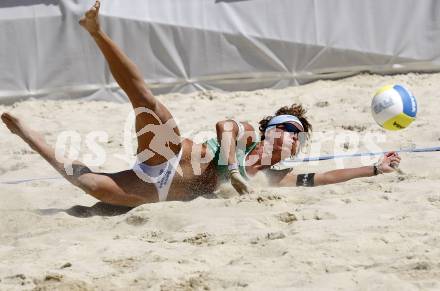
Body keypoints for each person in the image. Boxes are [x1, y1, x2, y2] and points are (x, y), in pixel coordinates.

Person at [1, 1, 401, 207]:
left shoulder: (275, 177)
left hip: (155, 194)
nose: (286, 137)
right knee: (144, 100)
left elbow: (324, 179)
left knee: (89, 184)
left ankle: (23, 131)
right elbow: (225, 127)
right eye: (282, 127)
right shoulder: (247, 135)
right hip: (168, 157)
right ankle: (96, 33)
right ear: (269, 130)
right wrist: (228, 175)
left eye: (294, 136)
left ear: (297, 147)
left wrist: (373, 168)